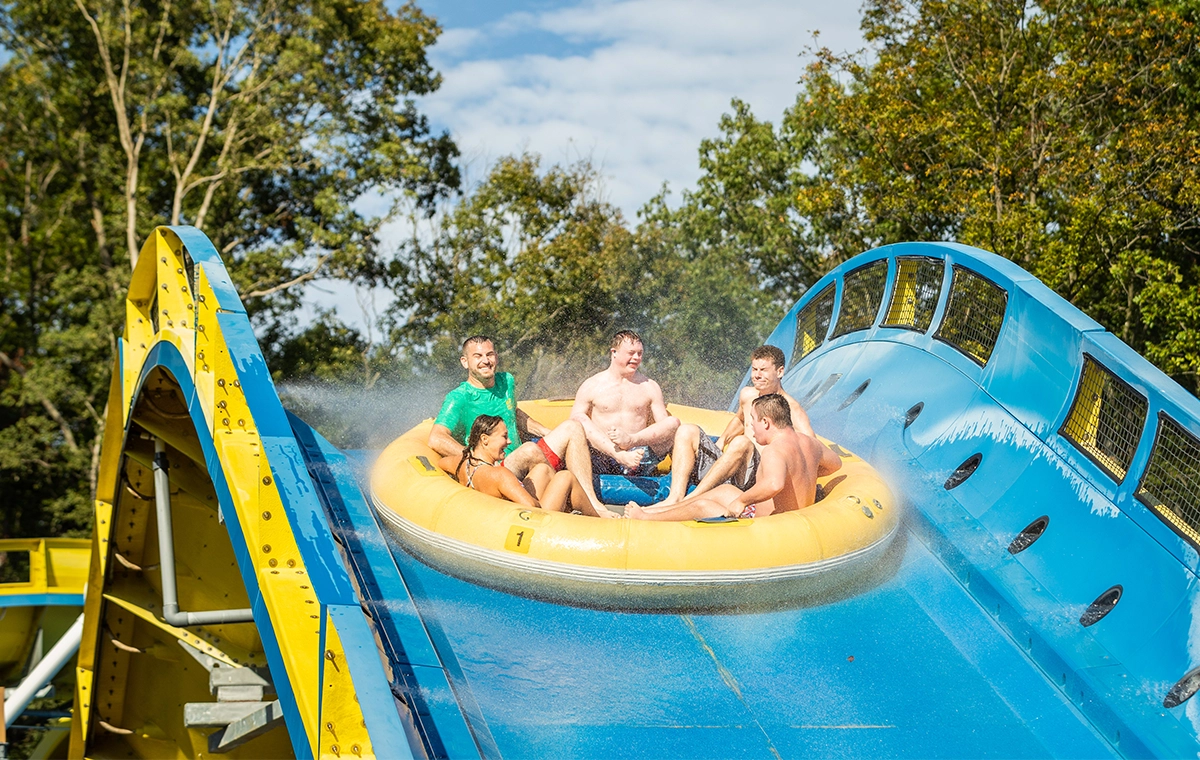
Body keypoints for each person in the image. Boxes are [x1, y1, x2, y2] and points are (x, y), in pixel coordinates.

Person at [428, 335, 607, 513]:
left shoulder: (506, 381)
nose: (485, 361)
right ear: (465, 362)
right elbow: (436, 438)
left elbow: (513, 413)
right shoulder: (459, 398)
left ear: (496, 357)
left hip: (522, 460)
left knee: (572, 428)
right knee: (530, 450)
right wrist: (475, 460)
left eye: (489, 355)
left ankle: (591, 501)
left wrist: (545, 431)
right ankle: (566, 501)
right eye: (478, 356)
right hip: (498, 467)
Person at [626, 394, 841, 522]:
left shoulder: (775, 450)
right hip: (797, 516)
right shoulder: (810, 443)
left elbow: (774, 484)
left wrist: (742, 500)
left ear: (766, 422)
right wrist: (804, 474)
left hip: (769, 523)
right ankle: (665, 505)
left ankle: (647, 517)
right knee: (723, 491)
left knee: (703, 505)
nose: (752, 428)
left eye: (753, 421)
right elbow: (835, 464)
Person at [661, 345, 817, 505]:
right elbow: (741, 420)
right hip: (735, 469)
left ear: (780, 372)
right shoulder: (748, 395)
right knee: (687, 430)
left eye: (763, 370)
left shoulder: (791, 408)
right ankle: (675, 497)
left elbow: (812, 447)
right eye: (755, 369)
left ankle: (691, 500)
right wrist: (722, 440)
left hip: (759, 476)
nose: (757, 375)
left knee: (742, 442)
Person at [438, 416, 611, 517]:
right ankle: (596, 519)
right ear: (484, 440)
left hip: (499, 508)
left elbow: (440, 463)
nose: (509, 441)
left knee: (542, 470)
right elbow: (532, 508)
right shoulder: (499, 475)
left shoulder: (462, 463)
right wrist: (554, 496)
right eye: (504, 437)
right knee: (565, 477)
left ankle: (568, 506)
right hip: (533, 521)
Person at [571, 330, 681, 477]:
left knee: (673, 422)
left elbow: (664, 428)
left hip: (638, 456)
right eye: (631, 353)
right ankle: (618, 454)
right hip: (601, 456)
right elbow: (573, 425)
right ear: (614, 352)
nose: (636, 358)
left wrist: (632, 441)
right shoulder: (592, 385)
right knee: (578, 418)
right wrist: (616, 453)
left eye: (640, 353)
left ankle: (631, 441)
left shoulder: (649, 386)